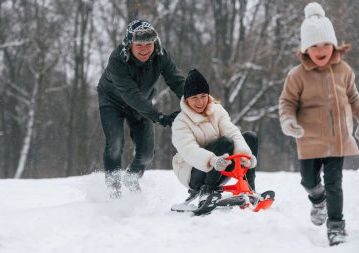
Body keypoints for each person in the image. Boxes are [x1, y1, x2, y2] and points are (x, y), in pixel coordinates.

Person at [279, 2, 359, 246]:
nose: (321, 49)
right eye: (314, 45)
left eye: (325, 43)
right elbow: (287, 103)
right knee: (308, 181)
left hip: (337, 139)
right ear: (305, 48)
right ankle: (318, 200)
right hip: (309, 140)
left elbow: (354, 98)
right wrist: (289, 120)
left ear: (333, 44)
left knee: (335, 183)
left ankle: (336, 226)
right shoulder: (297, 75)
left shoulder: (344, 70)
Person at [97, 20, 184, 198]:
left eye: (149, 44)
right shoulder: (117, 59)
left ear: (155, 43)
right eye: (139, 45)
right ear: (130, 44)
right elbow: (131, 95)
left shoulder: (161, 55)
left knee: (146, 153)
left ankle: (132, 178)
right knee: (115, 145)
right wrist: (159, 117)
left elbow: (176, 80)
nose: (144, 49)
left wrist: (194, 100)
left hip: (141, 102)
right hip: (112, 101)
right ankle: (114, 192)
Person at [171, 69, 258, 210]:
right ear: (186, 99)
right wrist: (212, 160)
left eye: (203, 96)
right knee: (225, 143)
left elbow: (232, 132)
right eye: (194, 98)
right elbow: (189, 151)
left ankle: (249, 189)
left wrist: (246, 156)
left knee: (249, 137)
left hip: (221, 165)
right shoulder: (180, 122)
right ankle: (207, 191)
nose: (200, 102)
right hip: (194, 172)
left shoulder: (217, 110)